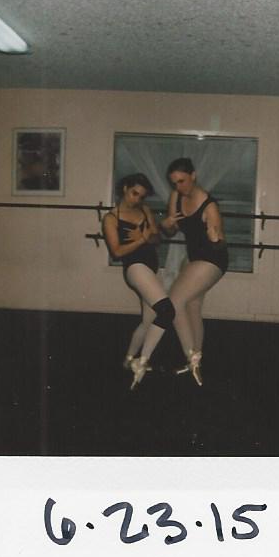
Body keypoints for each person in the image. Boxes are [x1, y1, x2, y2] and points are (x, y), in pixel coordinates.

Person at [103, 173, 175, 389]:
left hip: (150, 268)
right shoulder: (111, 218)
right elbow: (116, 251)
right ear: (125, 188)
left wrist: (151, 235)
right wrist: (142, 239)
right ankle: (141, 362)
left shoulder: (144, 210)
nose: (137, 199)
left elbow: (157, 239)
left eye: (141, 196)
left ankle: (128, 360)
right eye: (134, 193)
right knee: (167, 312)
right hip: (135, 268)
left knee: (148, 320)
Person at [160, 158, 228, 386]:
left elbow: (220, 244)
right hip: (195, 259)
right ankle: (195, 362)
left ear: (193, 175)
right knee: (192, 306)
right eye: (174, 183)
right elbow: (171, 232)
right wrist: (166, 225)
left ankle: (192, 359)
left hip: (213, 259)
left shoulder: (209, 205)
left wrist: (215, 238)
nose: (179, 187)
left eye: (182, 181)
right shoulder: (176, 197)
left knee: (174, 302)